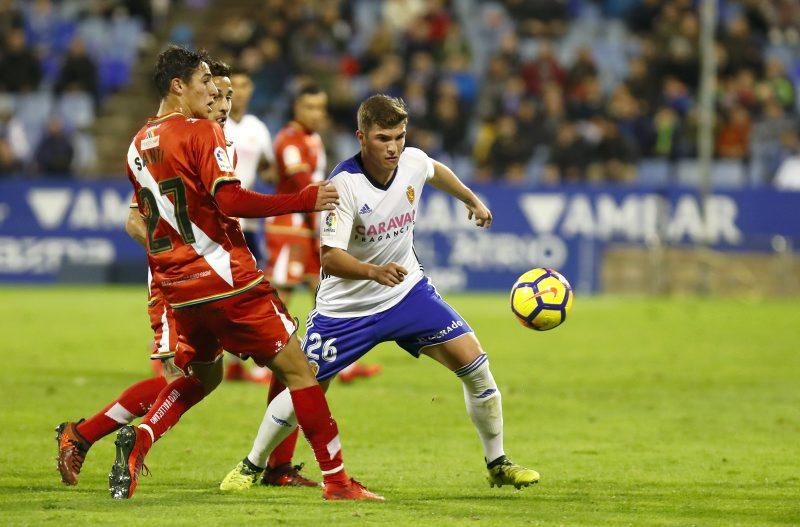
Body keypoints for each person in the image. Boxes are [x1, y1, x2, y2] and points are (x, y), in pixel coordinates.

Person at [101, 45, 380, 501]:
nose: (214, 91)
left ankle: (142, 437)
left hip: (177, 287)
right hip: (225, 277)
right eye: (205, 82)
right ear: (179, 86)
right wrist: (302, 199)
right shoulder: (200, 132)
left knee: (202, 379)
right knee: (302, 372)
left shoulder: (138, 143)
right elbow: (230, 201)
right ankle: (337, 481)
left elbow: (142, 217)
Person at [220, 94, 539, 492]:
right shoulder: (344, 185)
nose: (393, 147)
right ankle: (252, 464)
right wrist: (373, 271)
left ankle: (498, 463)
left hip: (407, 293)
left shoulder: (412, 161)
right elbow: (330, 258)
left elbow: (436, 171)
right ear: (361, 137)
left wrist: (472, 199)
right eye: (383, 138)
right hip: (347, 310)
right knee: (305, 387)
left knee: (475, 363)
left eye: (400, 137)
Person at [55, 58, 236, 486]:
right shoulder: (167, 142)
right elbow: (135, 220)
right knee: (180, 378)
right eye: (214, 89)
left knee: (204, 379)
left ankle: (84, 435)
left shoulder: (218, 142)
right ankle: (92, 437)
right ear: (188, 89)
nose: (221, 101)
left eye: (229, 95)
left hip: (207, 278)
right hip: (175, 283)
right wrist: (178, 253)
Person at [239, 85, 381, 490]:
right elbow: (303, 184)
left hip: (306, 231)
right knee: (281, 306)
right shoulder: (287, 139)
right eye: (309, 106)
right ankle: (263, 361)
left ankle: (337, 360)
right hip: (287, 229)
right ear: (295, 107)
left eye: (321, 106)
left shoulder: (314, 139)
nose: (317, 113)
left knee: (326, 299)